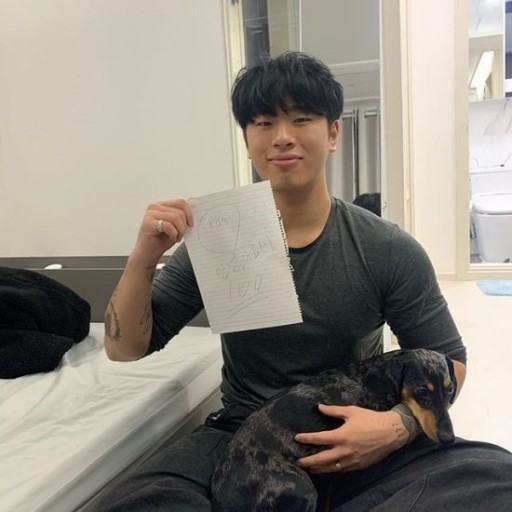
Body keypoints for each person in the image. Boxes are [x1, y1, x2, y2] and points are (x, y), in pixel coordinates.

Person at [98, 52, 512, 511]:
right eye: (263, 123)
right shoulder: (214, 241)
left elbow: (450, 361)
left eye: (301, 119)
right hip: (244, 431)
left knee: (495, 481)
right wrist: (144, 255)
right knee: (139, 502)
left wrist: (396, 427)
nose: (282, 137)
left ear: (333, 133)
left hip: (362, 426)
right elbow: (124, 348)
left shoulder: (387, 248)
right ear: (247, 140)